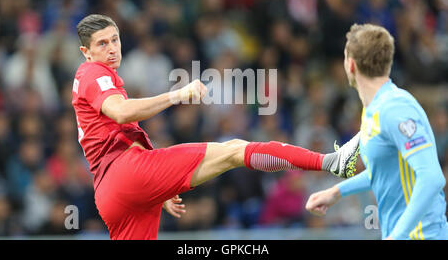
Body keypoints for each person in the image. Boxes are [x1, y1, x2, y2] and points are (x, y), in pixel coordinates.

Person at [72, 14, 360, 240]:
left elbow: (118, 134)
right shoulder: (93, 73)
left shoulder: (96, 79)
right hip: (126, 175)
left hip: (112, 194)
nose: (112, 49)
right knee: (235, 150)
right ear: (86, 52)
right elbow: (121, 113)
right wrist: (178, 94)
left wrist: (160, 190)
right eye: (102, 44)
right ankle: (330, 161)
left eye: (115, 40)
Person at [305, 24, 448, 240]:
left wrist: (397, 235)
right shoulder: (373, 110)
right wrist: (336, 192)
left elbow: (432, 178)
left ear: (350, 65)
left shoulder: (396, 109)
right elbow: (383, 171)